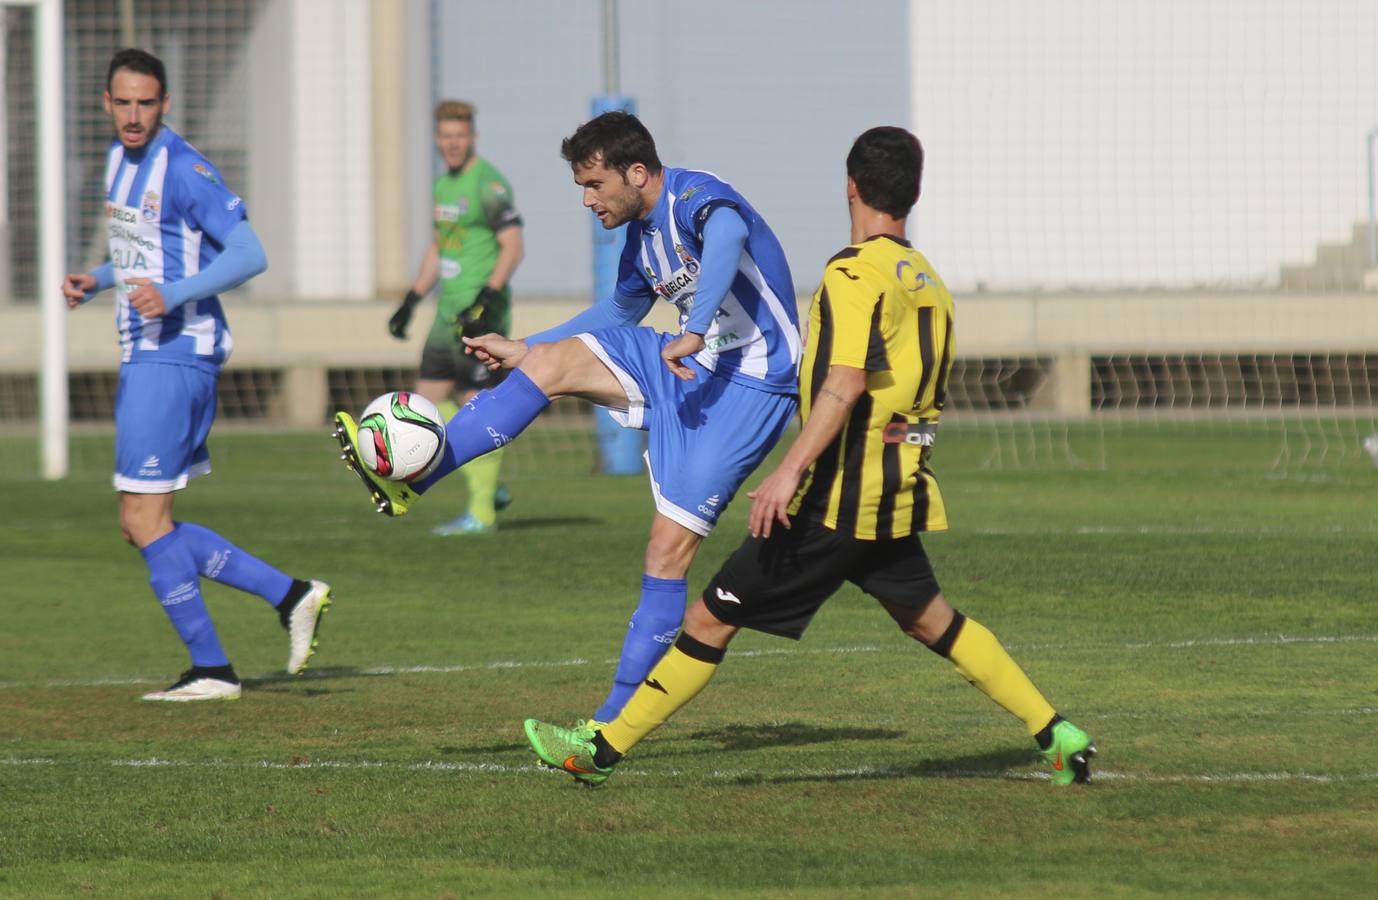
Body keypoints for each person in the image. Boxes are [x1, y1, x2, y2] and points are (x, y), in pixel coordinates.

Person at [522, 126, 1097, 786]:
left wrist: (790, 470)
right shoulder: (928, 280)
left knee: (710, 617)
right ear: (912, 193)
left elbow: (845, 382)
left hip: (835, 496)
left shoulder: (853, 272)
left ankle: (597, 751)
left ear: (850, 186)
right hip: (895, 486)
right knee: (931, 619)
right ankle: (1057, 732)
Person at [333, 111, 800, 728]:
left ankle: (609, 726)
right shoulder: (640, 241)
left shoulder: (696, 197)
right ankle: (415, 478)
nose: (586, 200)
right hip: (690, 363)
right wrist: (526, 348)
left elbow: (729, 237)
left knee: (666, 551)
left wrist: (692, 327)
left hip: (754, 384)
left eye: (594, 185)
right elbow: (617, 312)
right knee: (552, 365)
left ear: (637, 173)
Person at [62, 49, 331, 702]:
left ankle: (214, 668)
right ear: (105, 102)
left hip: (174, 355)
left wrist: (175, 296)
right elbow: (145, 254)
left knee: (144, 519)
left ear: (165, 104)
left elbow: (249, 253)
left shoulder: (181, 167)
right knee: (142, 522)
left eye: (146, 103)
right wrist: (98, 280)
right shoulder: (116, 161)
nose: (133, 115)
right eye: (122, 102)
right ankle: (290, 595)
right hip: (148, 352)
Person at [387, 100, 525, 536]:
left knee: (474, 407)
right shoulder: (442, 186)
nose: (452, 143)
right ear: (437, 139)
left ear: (472, 137)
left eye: (459, 135)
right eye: (445, 136)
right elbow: (440, 246)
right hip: (446, 314)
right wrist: (411, 299)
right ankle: (487, 483)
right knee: (425, 405)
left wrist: (486, 298)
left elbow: (513, 246)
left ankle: (482, 511)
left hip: (480, 319)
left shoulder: (489, 184)